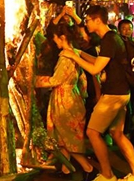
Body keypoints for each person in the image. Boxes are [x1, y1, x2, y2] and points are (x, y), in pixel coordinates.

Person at [61, 5, 134, 181]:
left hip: (113, 95)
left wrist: (74, 57)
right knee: (118, 134)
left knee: (93, 133)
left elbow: (95, 69)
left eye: (87, 20)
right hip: (121, 93)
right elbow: (101, 62)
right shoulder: (111, 38)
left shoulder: (109, 39)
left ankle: (107, 175)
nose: (86, 23)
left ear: (97, 20)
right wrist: (79, 52)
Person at [35, 24, 97, 179]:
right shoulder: (75, 53)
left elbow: (56, 80)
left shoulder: (66, 56)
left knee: (68, 137)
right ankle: (66, 169)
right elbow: (82, 80)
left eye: (55, 38)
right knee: (63, 137)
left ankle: (88, 168)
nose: (54, 42)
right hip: (72, 97)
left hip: (64, 101)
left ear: (62, 38)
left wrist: (34, 81)